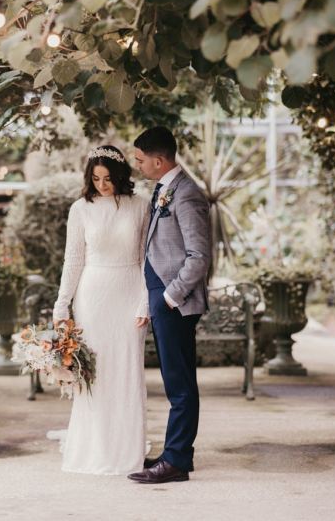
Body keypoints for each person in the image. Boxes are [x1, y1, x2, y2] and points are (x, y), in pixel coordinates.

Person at [52, 145, 150, 475]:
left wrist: (145, 300)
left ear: (120, 176)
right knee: (94, 375)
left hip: (128, 292)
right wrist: (62, 303)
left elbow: (145, 259)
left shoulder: (140, 206)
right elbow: (73, 259)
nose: (102, 185)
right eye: (95, 178)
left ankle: (128, 452)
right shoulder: (80, 209)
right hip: (92, 295)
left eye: (108, 178)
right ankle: (94, 449)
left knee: (126, 372)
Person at [128, 126, 211, 484]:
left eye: (140, 160)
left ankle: (175, 461)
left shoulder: (187, 194)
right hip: (162, 299)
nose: (138, 165)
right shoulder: (164, 189)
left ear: (159, 161)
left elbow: (198, 257)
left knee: (179, 384)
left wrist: (167, 297)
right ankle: (176, 454)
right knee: (174, 380)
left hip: (174, 302)